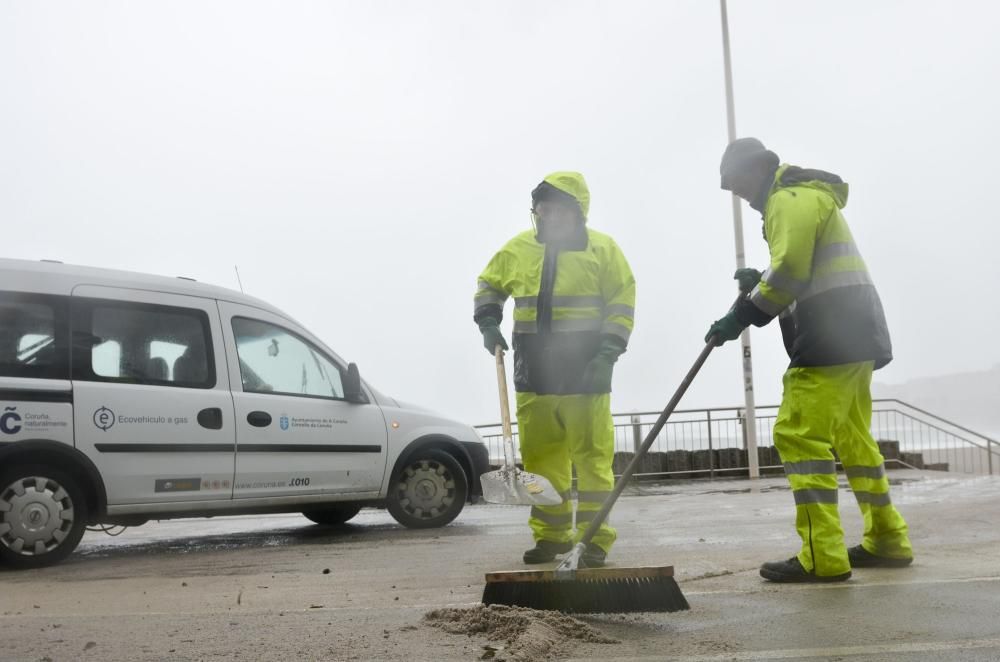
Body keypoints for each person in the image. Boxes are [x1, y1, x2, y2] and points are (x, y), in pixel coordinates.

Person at [706, 138, 914, 582]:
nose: (739, 194)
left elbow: (791, 274)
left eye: (739, 182)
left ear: (760, 168)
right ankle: (887, 538)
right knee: (853, 438)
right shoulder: (805, 197)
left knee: (797, 435)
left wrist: (738, 317)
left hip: (830, 333)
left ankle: (823, 556)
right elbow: (798, 269)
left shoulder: (788, 199)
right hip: (855, 332)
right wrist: (760, 278)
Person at [474, 171, 635, 567]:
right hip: (535, 377)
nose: (548, 216)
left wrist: (608, 354)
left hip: (585, 375)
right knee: (543, 464)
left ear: (577, 211)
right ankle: (552, 537)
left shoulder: (603, 250)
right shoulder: (518, 249)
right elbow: (489, 285)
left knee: (593, 463)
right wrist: (488, 321)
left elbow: (622, 303)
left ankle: (593, 541)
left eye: (556, 208)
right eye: (541, 209)